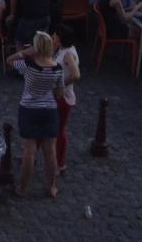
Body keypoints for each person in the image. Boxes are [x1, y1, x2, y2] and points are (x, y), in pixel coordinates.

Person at [7, 31, 65, 198]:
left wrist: (24, 52)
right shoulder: (57, 68)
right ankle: (51, 187)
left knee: (29, 151)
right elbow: (60, 93)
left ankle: (23, 188)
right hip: (50, 111)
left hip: (29, 109)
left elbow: (9, 61)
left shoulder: (28, 65)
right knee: (50, 151)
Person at [51, 23, 80, 175]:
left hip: (63, 97)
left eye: (55, 35)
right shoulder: (61, 50)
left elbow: (76, 74)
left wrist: (60, 86)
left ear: (60, 39)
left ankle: (59, 163)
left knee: (59, 130)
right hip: (58, 96)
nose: (53, 37)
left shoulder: (68, 53)